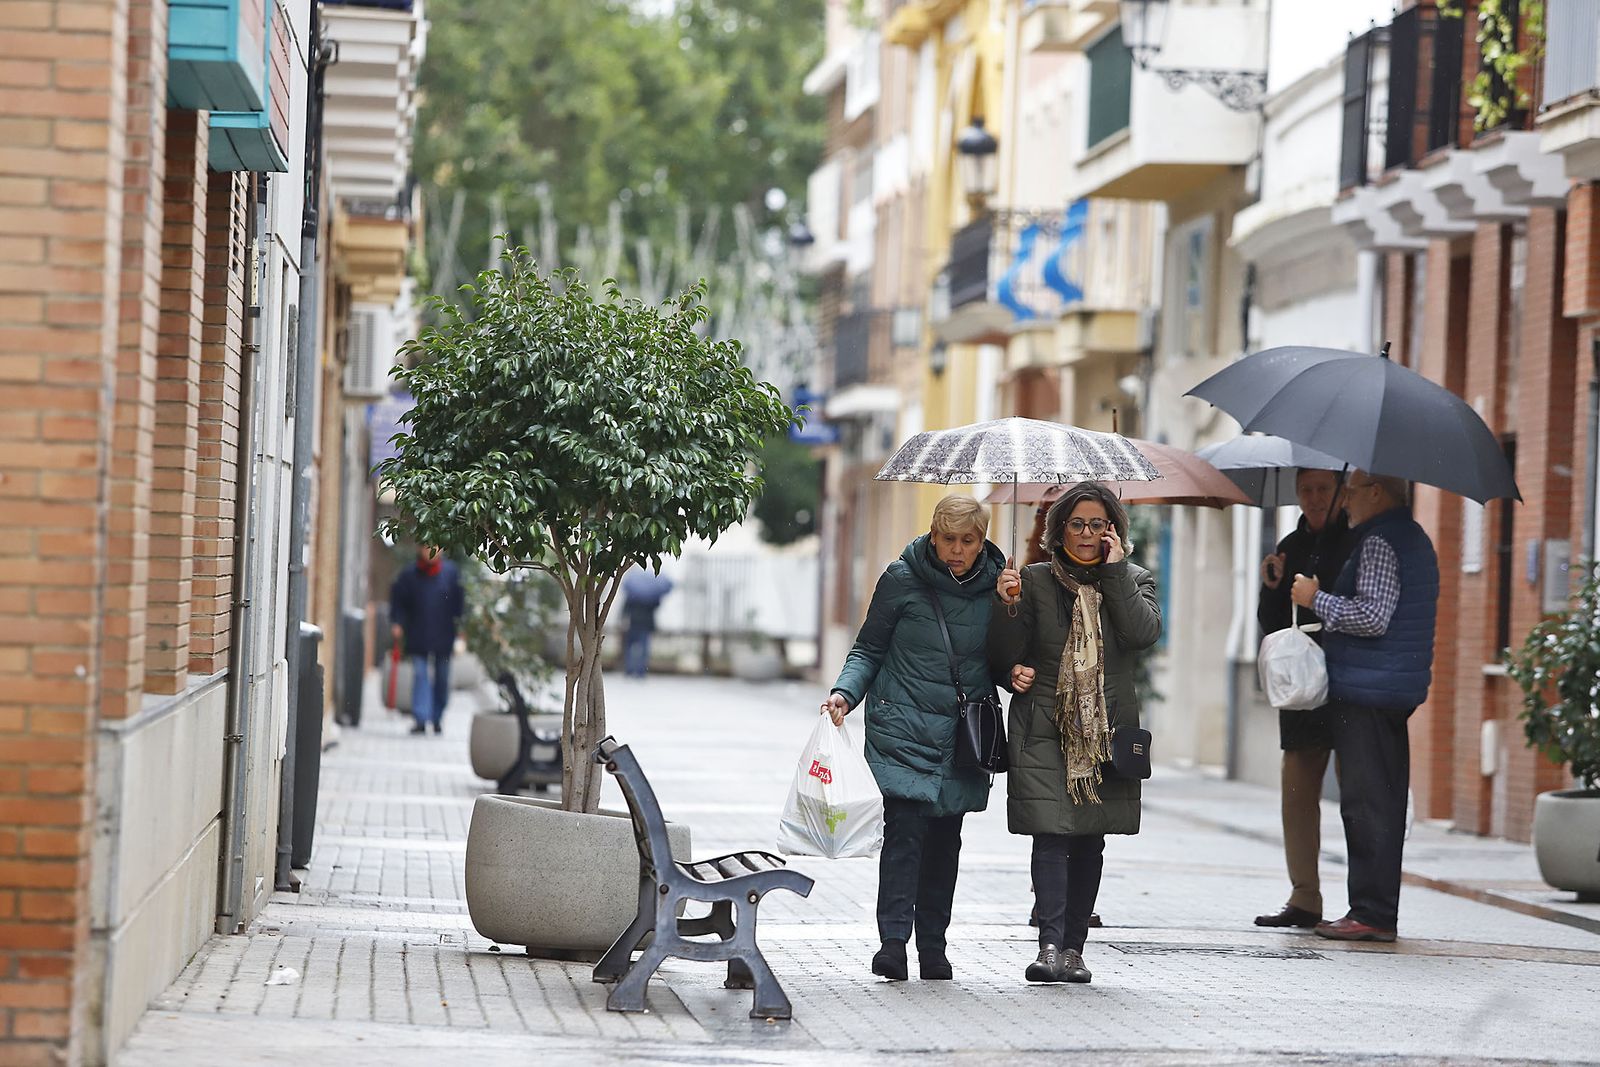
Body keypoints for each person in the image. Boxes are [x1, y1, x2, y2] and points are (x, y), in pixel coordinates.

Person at [823, 495, 1005, 983]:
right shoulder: (901, 579)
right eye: (948, 539)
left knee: (946, 842)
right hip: (901, 727)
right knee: (904, 833)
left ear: (982, 540)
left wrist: (1019, 648)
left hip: (963, 737)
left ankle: (934, 947)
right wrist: (845, 693)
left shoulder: (1001, 590)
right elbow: (869, 647)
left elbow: (1007, 662)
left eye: (968, 541)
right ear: (932, 533)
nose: (957, 551)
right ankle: (893, 944)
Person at [991, 482, 1162, 985]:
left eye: (1097, 524)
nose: (1087, 534)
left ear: (1113, 530)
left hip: (1106, 730)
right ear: (1059, 528)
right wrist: (1005, 609)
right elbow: (1005, 656)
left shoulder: (1133, 579)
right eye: (1077, 524)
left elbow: (1142, 635)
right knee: (1050, 837)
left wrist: (1114, 573)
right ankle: (1048, 948)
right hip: (1044, 724)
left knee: (1089, 841)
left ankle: (1073, 950)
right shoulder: (1034, 581)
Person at [1290, 471, 1438, 943]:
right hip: (1392, 687)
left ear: (1377, 492)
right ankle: (1374, 909)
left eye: (1351, 491)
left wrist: (1317, 599)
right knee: (1382, 799)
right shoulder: (1411, 537)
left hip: (1367, 690)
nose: (1345, 500)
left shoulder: (1379, 541)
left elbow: (1373, 616)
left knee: (1367, 803)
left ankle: (1371, 913)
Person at [1253, 469, 1353, 930]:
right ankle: (1304, 896)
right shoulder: (1291, 544)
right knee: (1296, 793)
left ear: (1341, 492)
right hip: (1301, 684)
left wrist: (1320, 592)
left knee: (1356, 794)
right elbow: (1271, 622)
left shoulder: (1357, 540)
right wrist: (1272, 584)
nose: (1313, 498)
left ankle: (1364, 903)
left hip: (1350, 681)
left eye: (1323, 490)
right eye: (1306, 490)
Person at [390, 545, 465, 736]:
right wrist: (397, 623)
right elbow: (398, 602)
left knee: (442, 678)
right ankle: (421, 719)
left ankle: (437, 717)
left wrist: (462, 630)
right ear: (420, 549)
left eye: (436, 547)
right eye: (427, 547)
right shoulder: (409, 574)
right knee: (420, 676)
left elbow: (459, 604)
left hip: (444, 634)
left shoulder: (450, 573)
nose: (431, 551)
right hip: (417, 634)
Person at [620, 569, 674, 678]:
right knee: (644, 647)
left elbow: (626, 607)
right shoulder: (652, 595)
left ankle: (629, 669)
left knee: (630, 647)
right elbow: (656, 606)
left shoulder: (633, 592)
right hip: (646, 623)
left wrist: (622, 619)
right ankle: (641, 671)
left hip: (634, 622)